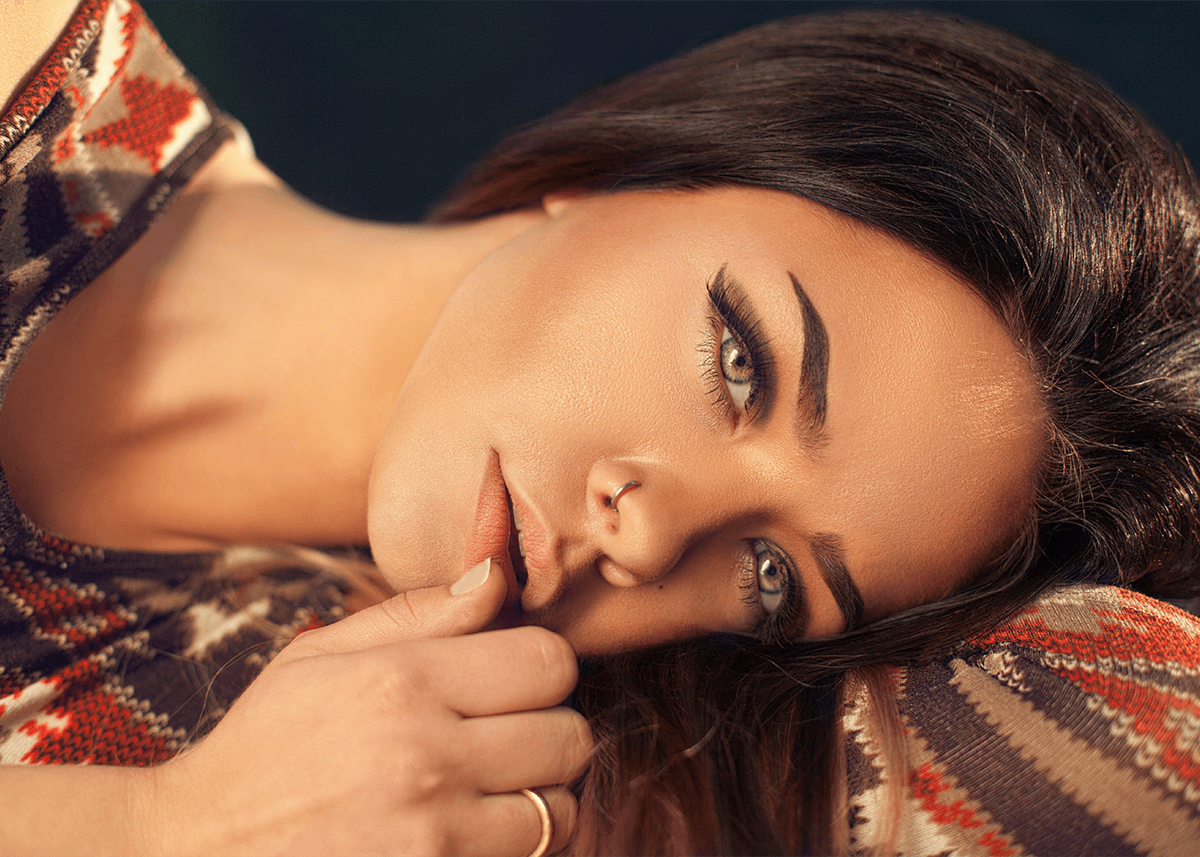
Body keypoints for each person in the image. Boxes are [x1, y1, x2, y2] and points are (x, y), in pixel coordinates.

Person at [0, 1, 1197, 854]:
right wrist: (151, 827)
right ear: (633, 168)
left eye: (773, 574)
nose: (657, 528)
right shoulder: (35, 63)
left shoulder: (363, 775)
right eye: (742, 360)